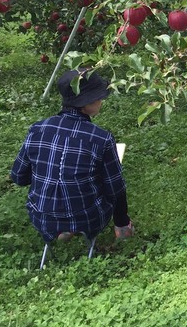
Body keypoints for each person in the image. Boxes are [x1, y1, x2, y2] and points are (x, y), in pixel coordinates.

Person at [11, 68, 134, 243]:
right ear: (87, 102)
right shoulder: (101, 138)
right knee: (113, 177)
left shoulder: (37, 129)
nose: (101, 101)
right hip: (88, 219)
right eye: (99, 97)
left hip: (42, 219)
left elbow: (19, 177)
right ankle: (122, 227)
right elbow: (115, 189)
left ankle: (62, 230)